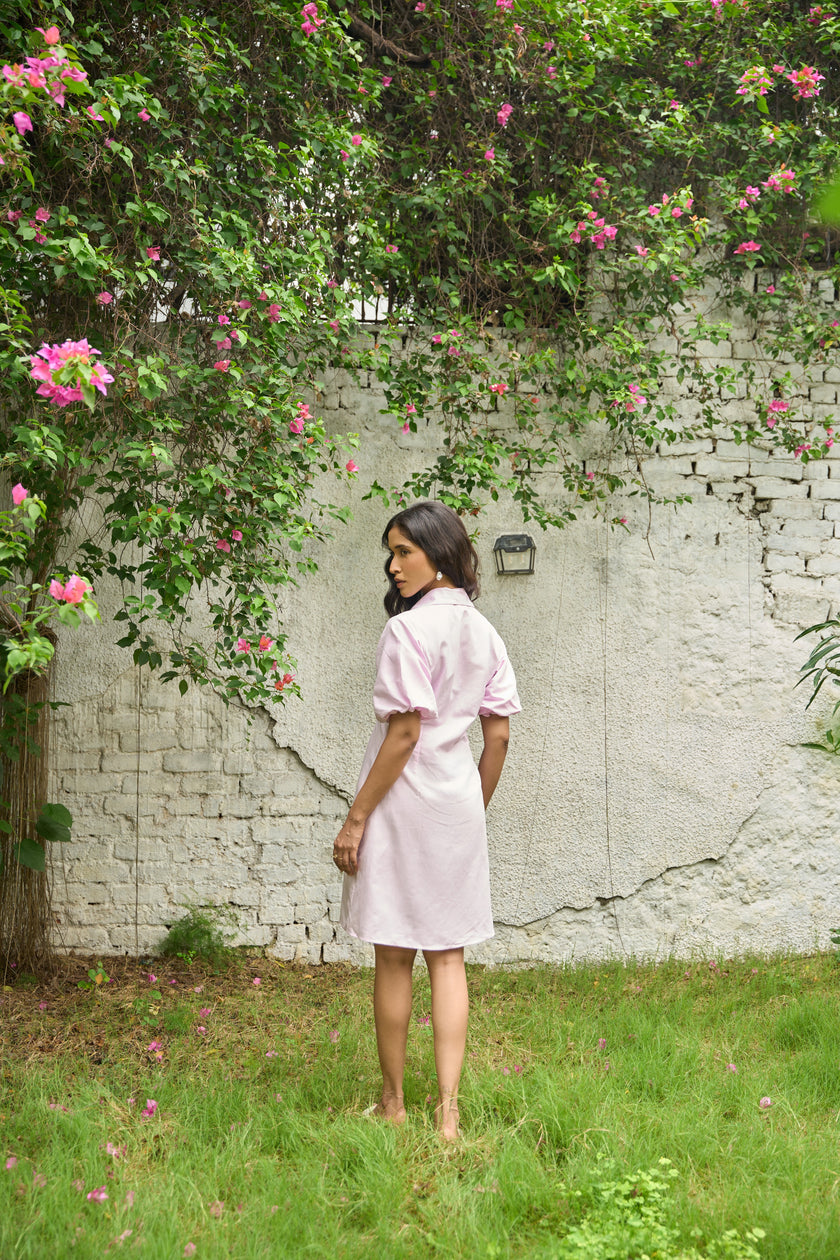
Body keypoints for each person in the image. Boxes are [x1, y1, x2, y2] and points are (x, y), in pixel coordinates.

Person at [333, 500, 520, 1140]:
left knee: (394, 956)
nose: (393, 566)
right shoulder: (487, 633)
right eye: (391, 553)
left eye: (404, 552)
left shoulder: (405, 632)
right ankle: (448, 1111)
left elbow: (405, 732)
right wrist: (472, 807)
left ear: (439, 554)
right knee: (447, 957)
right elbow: (495, 742)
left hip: (401, 804)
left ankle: (393, 1102)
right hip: (456, 803)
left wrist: (356, 817)